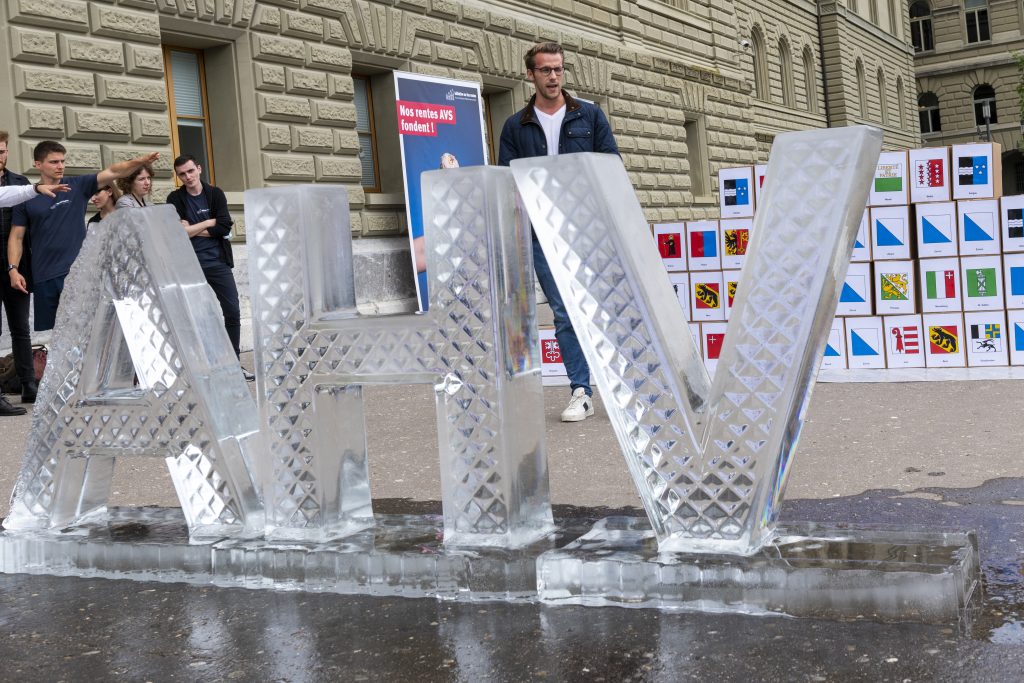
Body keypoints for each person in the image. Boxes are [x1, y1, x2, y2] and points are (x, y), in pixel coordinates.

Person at [498, 41, 619, 422]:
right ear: (530, 75)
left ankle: (618, 383)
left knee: (597, 308)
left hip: (585, 228)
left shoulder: (590, 116)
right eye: (545, 70)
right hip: (540, 233)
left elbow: (611, 163)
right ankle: (581, 391)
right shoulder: (515, 126)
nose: (553, 76)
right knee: (565, 313)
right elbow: (508, 178)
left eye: (558, 69)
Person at [8, 141, 159, 332]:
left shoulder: (77, 185)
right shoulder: (28, 196)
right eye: (54, 162)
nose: (60, 166)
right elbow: (16, 237)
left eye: (62, 161)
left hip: (78, 273)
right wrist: (13, 269)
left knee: (87, 331)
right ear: (38, 164)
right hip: (44, 276)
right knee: (52, 337)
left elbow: (114, 171)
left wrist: (141, 161)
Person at [166, 155, 253, 381]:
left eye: (190, 171)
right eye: (182, 174)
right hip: (190, 265)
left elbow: (224, 226)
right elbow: (178, 233)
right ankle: (203, 368)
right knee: (198, 316)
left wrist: (193, 228)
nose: (187, 177)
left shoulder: (215, 194)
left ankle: (234, 364)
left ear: (199, 169)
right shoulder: (175, 198)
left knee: (232, 310)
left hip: (218, 262)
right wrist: (208, 222)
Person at [0, 132, 69, 412]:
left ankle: (29, 384)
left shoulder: (20, 182)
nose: (0, 156)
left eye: (3, 151)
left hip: (17, 265)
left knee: (20, 327)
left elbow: (28, 228)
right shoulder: (22, 188)